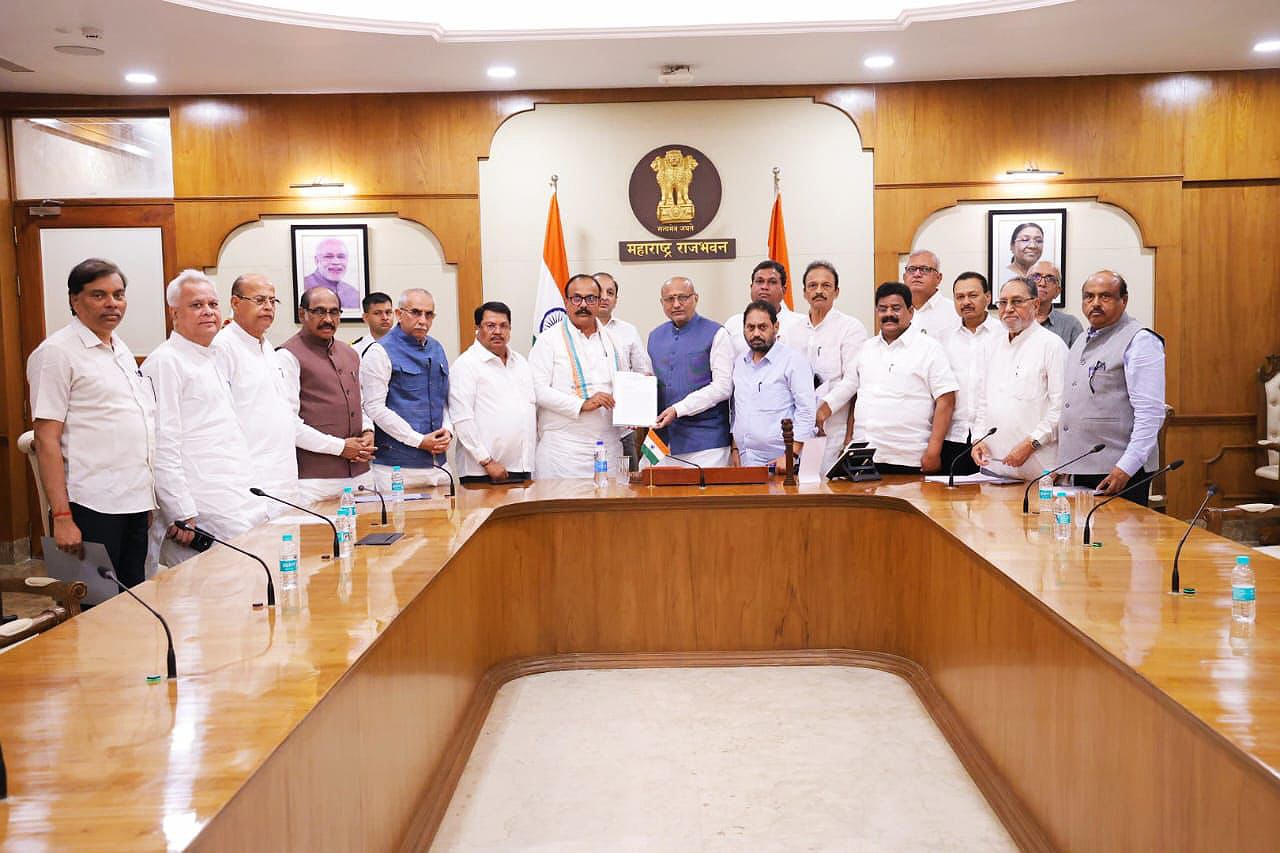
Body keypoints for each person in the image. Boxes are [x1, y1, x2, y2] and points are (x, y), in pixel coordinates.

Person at [26, 258, 155, 587]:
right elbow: (46, 439)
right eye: (99, 295)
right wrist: (62, 517)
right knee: (94, 604)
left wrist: (145, 500)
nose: (112, 303)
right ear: (75, 300)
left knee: (133, 599)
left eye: (118, 295)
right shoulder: (56, 353)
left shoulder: (119, 347)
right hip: (90, 504)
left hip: (134, 500)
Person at [142, 270, 262, 569]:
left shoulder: (215, 356)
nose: (208, 311)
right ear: (175, 314)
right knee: (217, 582)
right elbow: (161, 443)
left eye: (213, 304)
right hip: (198, 501)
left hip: (233, 489)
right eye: (196, 305)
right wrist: (180, 509)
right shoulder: (165, 361)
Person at [1058, 270, 1167, 505]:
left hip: (1119, 470)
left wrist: (1126, 467)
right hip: (1082, 465)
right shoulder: (1082, 339)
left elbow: (1150, 413)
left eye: (1105, 296)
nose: (1095, 303)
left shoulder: (1141, 340)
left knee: (1118, 530)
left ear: (1123, 300)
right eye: (1089, 296)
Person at [277, 287, 374, 503]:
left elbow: (360, 404)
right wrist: (340, 448)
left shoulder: (350, 353)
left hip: (361, 476)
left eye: (334, 312)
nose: (328, 319)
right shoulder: (287, 356)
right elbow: (289, 424)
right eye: (319, 311)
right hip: (315, 482)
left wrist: (368, 430)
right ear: (303, 314)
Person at [850, 282, 958, 475]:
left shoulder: (929, 348)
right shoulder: (866, 348)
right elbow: (856, 397)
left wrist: (934, 451)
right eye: (882, 309)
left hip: (908, 458)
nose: (888, 314)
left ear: (910, 312)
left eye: (896, 308)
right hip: (864, 456)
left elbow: (946, 399)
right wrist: (848, 442)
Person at [210, 273, 298, 507]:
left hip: (284, 473)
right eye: (260, 300)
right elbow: (221, 422)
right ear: (235, 303)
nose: (268, 307)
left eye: (272, 301)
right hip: (250, 478)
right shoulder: (222, 347)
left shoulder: (267, 346)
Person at [970, 277, 1067, 480]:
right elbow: (982, 401)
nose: (1008, 309)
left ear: (1036, 304)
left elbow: (1061, 409)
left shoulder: (1052, 345)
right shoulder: (991, 345)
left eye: (1017, 301)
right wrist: (978, 438)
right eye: (1003, 302)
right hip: (994, 466)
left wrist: (1031, 443)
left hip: (1038, 469)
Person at [529, 274, 625, 478]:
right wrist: (582, 404)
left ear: (598, 302)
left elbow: (624, 383)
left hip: (608, 448)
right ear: (566, 302)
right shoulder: (548, 341)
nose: (583, 305)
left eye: (590, 298)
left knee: (609, 499)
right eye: (576, 298)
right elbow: (536, 389)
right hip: (564, 451)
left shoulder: (615, 341)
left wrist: (634, 407)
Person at [360, 288, 452, 490]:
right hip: (398, 468)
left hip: (440, 467)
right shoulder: (379, 351)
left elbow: (444, 399)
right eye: (416, 313)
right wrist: (418, 440)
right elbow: (374, 407)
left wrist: (448, 431)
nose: (423, 320)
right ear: (399, 314)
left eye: (429, 314)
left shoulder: (437, 348)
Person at [648, 276, 734, 467]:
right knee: (646, 483)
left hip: (706, 443)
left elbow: (723, 387)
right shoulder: (655, 336)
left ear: (696, 298)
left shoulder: (717, 333)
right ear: (662, 303)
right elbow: (653, 382)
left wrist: (679, 409)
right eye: (670, 299)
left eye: (683, 297)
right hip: (662, 441)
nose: (676, 304)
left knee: (703, 489)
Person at [449, 301, 537, 484]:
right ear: (477, 328)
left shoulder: (520, 362)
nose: (498, 331)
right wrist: (486, 461)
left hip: (521, 467)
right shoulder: (466, 365)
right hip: (482, 471)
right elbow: (462, 419)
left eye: (503, 326)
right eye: (490, 326)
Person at [798, 260, 868, 475]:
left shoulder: (851, 328)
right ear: (804, 292)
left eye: (826, 285)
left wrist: (824, 409)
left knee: (828, 489)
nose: (819, 291)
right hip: (797, 431)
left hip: (834, 429)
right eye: (813, 285)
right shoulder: (793, 330)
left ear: (836, 292)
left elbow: (853, 379)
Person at [730, 301, 816, 468]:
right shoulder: (740, 362)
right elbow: (737, 409)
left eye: (762, 327)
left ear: (776, 327)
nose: (756, 333)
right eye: (750, 327)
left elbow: (806, 411)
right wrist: (735, 448)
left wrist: (791, 455)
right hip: (745, 459)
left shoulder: (793, 360)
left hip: (781, 462)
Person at [940, 271, 1000, 476]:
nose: (966, 302)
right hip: (953, 438)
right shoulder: (943, 339)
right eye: (960, 297)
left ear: (988, 297)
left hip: (993, 437)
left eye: (973, 295)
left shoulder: (1003, 335)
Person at [723, 260, 807, 356]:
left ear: (784, 290)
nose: (764, 287)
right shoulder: (733, 324)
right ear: (751, 287)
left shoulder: (801, 323)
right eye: (759, 281)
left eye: (772, 282)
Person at [1028, 261, 1084, 348]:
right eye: (1035, 277)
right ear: (1024, 285)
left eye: (1050, 279)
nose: (1042, 283)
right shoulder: (1013, 319)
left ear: (1058, 291)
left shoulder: (1071, 325)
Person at [902, 250, 953, 338]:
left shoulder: (953, 312)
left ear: (938, 278)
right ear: (904, 277)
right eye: (912, 269)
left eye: (925, 269)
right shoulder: (897, 311)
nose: (917, 274)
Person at [302, 237, 360, 310]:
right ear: (317, 260)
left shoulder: (353, 293)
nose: (336, 262)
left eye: (341, 257)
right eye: (329, 256)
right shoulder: (304, 285)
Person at [351, 291, 395, 358]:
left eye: (388, 312)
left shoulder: (405, 344)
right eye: (377, 313)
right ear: (366, 318)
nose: (385, 318)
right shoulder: (355, 349)